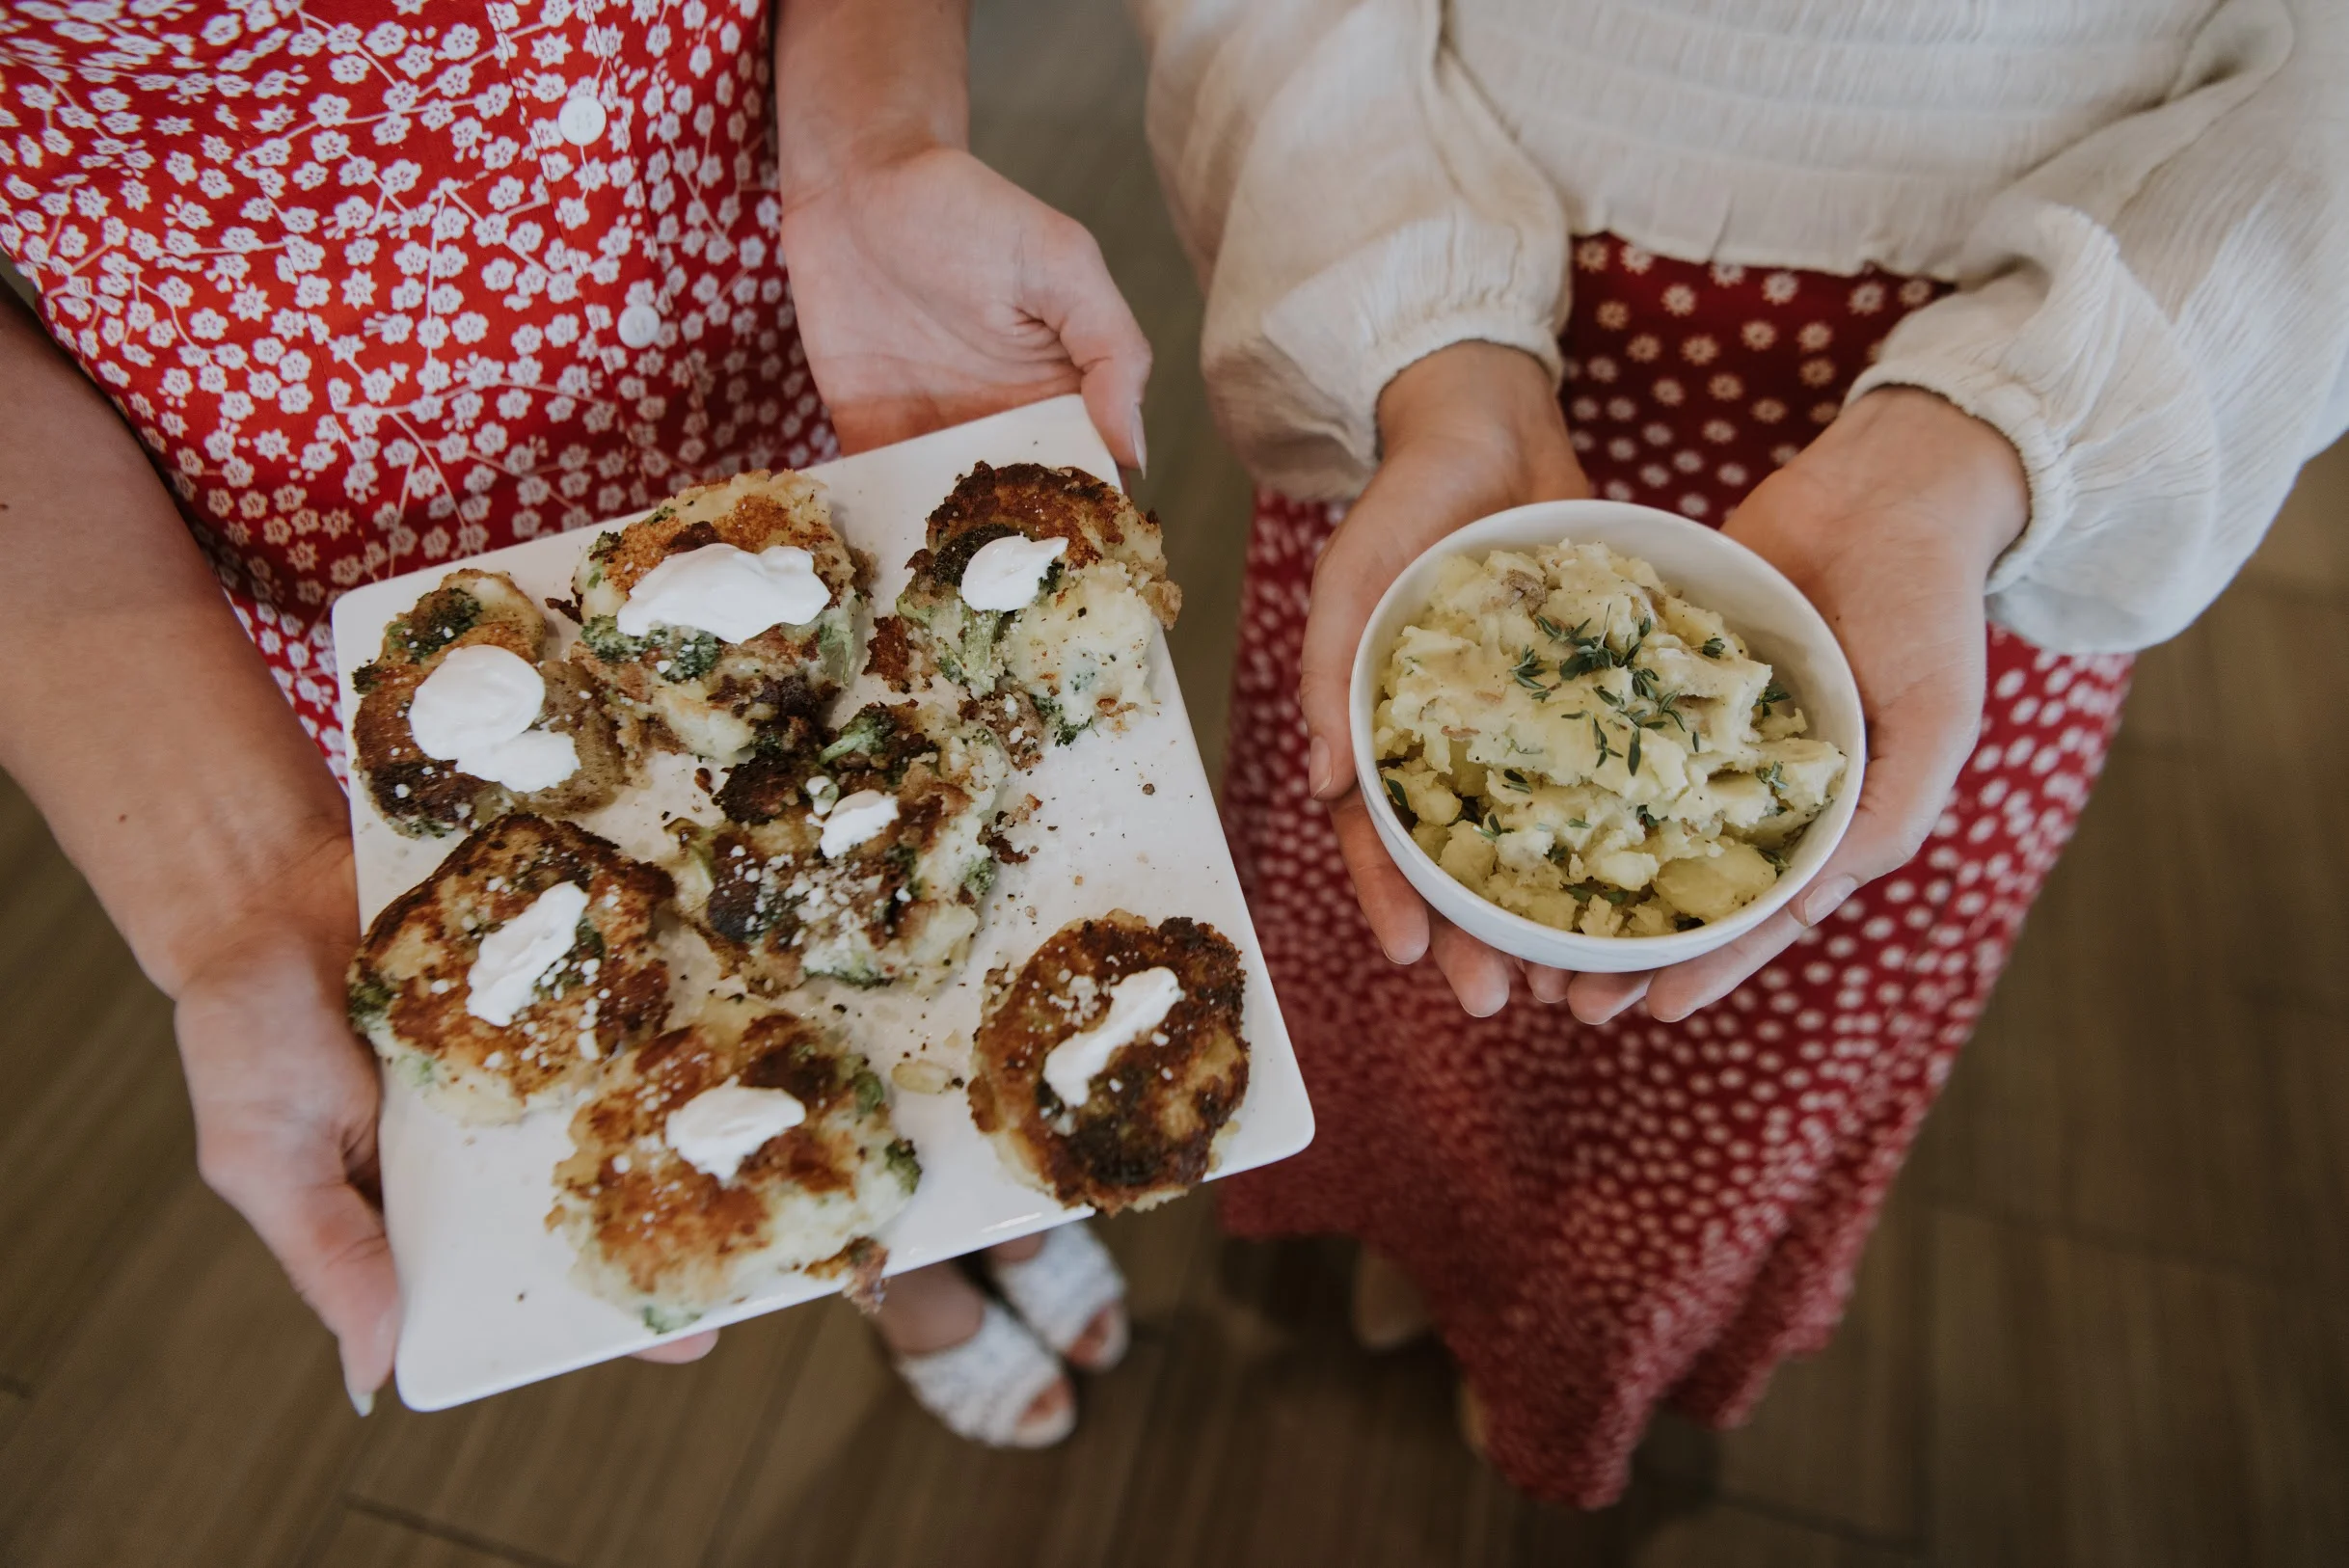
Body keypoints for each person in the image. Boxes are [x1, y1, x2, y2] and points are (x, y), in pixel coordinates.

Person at [1133, 0, 2349, 1503]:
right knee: (1398, 999)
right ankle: (1424, 1248)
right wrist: (1422, 337)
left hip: (1999, 461)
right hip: (1429, 330)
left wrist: (1996, 438)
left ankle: (1565, 1354)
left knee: (1731, 1085)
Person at [0, 0, 1151, 1448]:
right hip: (336, 545)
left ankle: (984, 1175)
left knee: (883, 888)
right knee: (760, 1079)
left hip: (798, 315)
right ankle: (889, 1264)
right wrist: (228, 890)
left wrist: (875, 147)